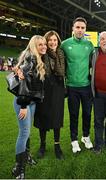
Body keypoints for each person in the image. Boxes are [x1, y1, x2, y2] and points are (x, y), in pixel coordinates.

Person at [12, 35, 47, 179]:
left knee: (27, 131)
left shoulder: (35, 58)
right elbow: (24, 85)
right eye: (40, 44)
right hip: (24, 102)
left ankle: (26, 157)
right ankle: (18, 168)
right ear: (34, 46)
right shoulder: (31, 59)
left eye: (44, 44)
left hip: (30, 102)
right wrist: (24, 105)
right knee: (24, 132)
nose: (44, 46)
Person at [61, 17, 94, 153]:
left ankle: (85, 137)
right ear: (73, 29)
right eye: (78, 27)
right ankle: (74, 140)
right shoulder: (64, 44)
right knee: (73, 114)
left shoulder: (90, 45)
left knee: (87, 113)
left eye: (82, 28)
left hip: (86, 86)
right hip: (72, 87)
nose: (80, 30)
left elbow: (95, 63)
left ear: (85, 30)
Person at [34, 31, 65, 160]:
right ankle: (42, 145)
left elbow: (63, 71)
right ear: (46, 42)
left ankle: (57, 146)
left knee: (57, 117)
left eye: (55, 40)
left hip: (58, 88)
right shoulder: (41, 53)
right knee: (43, 116)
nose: (53, 42)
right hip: (44, 89)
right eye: (50, 40)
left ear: (58, 41)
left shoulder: (61, 54)